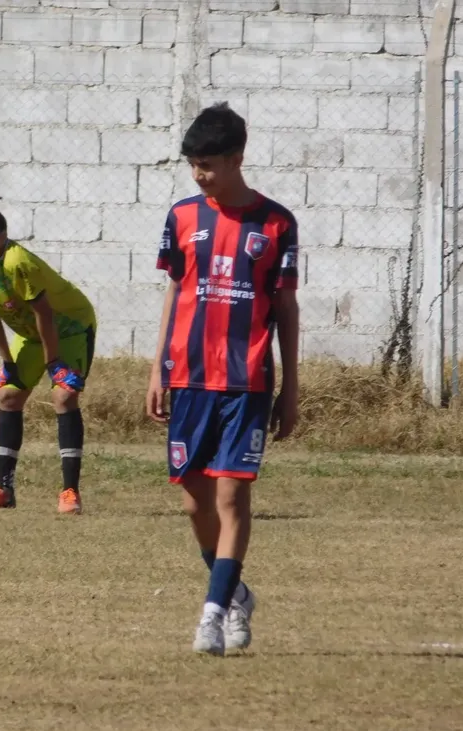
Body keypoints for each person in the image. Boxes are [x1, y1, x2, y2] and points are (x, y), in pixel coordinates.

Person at [145, 103, 300, 656]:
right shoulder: (183, 217)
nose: (199, 174)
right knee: (195, 503)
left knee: (233, 499)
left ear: (237, 158)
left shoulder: (276, 223)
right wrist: (158, 367)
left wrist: (291, 389)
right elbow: (174, 293)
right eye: (193, 165)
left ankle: (212, 614)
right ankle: (235, 592)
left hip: (247, 384)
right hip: (188, 379)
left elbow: (285, 308)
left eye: (208, 164)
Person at [0, 208, 98, 515]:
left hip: (71, 327)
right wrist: (7, 360)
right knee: (8, 395)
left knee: (64, 395)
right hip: (31, 334)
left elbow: (45, 315)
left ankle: (69, 492)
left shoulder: (17, 261)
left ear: (1, 237)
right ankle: (3, 490)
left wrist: (54, 364)